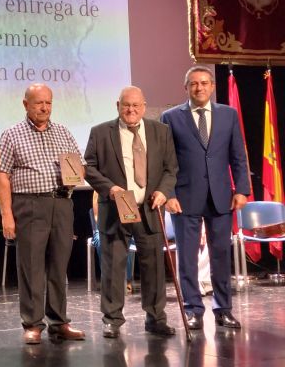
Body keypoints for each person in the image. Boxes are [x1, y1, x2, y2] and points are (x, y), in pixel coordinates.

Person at [84, 86, 178, 339]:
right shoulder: (101, 132)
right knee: (114, 267)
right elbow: (88, 168)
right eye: (126, 105)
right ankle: (112, 319)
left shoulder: (161, 131)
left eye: (136, 105)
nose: (131, 110)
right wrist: (110, 188)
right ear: (118, 106)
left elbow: (171, 169)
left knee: (154, 266)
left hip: (149, 208)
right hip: (116, 209)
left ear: (144, 107)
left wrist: (163, 192)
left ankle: (156, 318)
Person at [161, 65, 250, 330]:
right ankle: (193, 310)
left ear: (212, 86)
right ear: (185, 87)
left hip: (221, 196)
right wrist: (169, 194)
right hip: (184, 197)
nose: (199, 88)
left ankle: (223, 309)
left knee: (221, 255)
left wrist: (242, 189)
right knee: (186, 258)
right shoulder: (170, 117)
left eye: (204, 83)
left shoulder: (228, 115)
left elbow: (238, 155)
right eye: (193, 84)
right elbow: (165, 161)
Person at [0, 83, 86, 345]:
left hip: (62, 203)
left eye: (48, 102)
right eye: (38, 103)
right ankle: (33, 323)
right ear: (26, 105)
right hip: (30, 205)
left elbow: (79, 167)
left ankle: (59, 322)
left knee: (59, 265)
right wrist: (6, 215)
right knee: (32, 266)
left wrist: (75, 174)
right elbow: (2, 176)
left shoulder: (63, 132)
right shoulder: (12, 134)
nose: (44, 107)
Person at [91, 191, 136, 294]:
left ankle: (126, 279)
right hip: (105, 224)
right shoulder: (99, 190)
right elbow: (97, 216)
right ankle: (108, 280)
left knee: (126, 240)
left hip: (127, 223)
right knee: (101, 241)